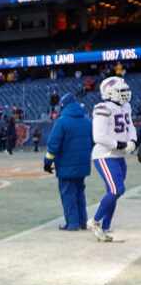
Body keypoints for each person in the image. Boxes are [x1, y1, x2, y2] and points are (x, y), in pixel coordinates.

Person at [88, 77, 136, 242]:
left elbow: (131, 127)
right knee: (117, 189)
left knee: (114, 192)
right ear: (109, 92)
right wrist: (122, 144)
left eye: (125, 90)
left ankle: (105, 226)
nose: (125, 94)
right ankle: (95, 222)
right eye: (121, 91)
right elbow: (98, 136)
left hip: (118, 155)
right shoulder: (102, 108)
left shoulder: (126, 106)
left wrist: (133, 141)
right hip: (105, 155)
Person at [44, 94, 93, 231]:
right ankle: (83, 222)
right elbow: (93, 142)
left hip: (66, 166)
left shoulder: (62, 122)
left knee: (68, 195)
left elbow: (53, 145)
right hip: (83, 165)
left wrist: (47, 162)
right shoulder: (87, 121)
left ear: (63, 106)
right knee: (80, 193)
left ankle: (72, 224)